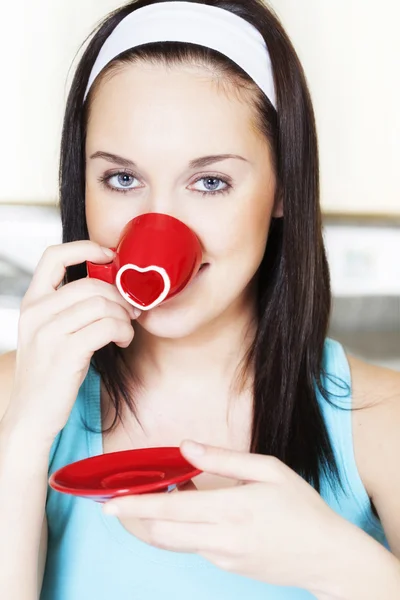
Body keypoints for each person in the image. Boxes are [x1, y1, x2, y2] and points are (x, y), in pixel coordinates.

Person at [0, 1, 399, 598]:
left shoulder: (382, 419)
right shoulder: (13, 395)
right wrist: (25, 435)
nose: (159, 224)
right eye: (122, 179)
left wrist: (336, 561)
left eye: (210, 181)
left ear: (283, 187)